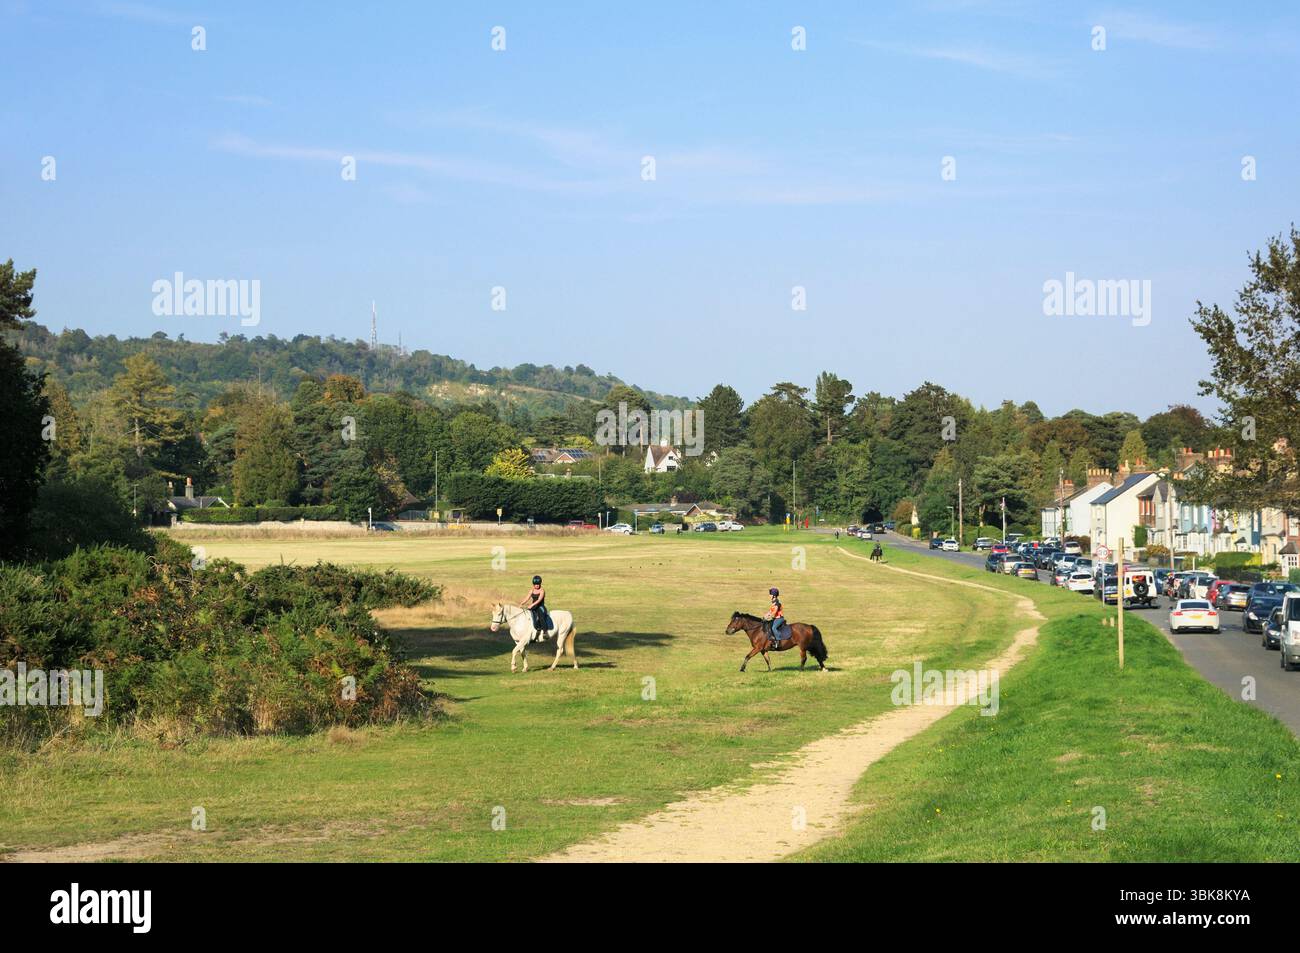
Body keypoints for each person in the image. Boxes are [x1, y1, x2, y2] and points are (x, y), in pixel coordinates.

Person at [521, 575, 548, 642]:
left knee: (541, 617)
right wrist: (521, 603)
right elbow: (527, 598)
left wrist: (531, 605)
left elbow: (539, 600)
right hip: (533, 606)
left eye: (538, 584)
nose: (537, 585)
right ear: (533, 584)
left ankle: (545, 632)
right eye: (535, 584)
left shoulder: (542, 590)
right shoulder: (531, 590)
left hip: (540, 607)